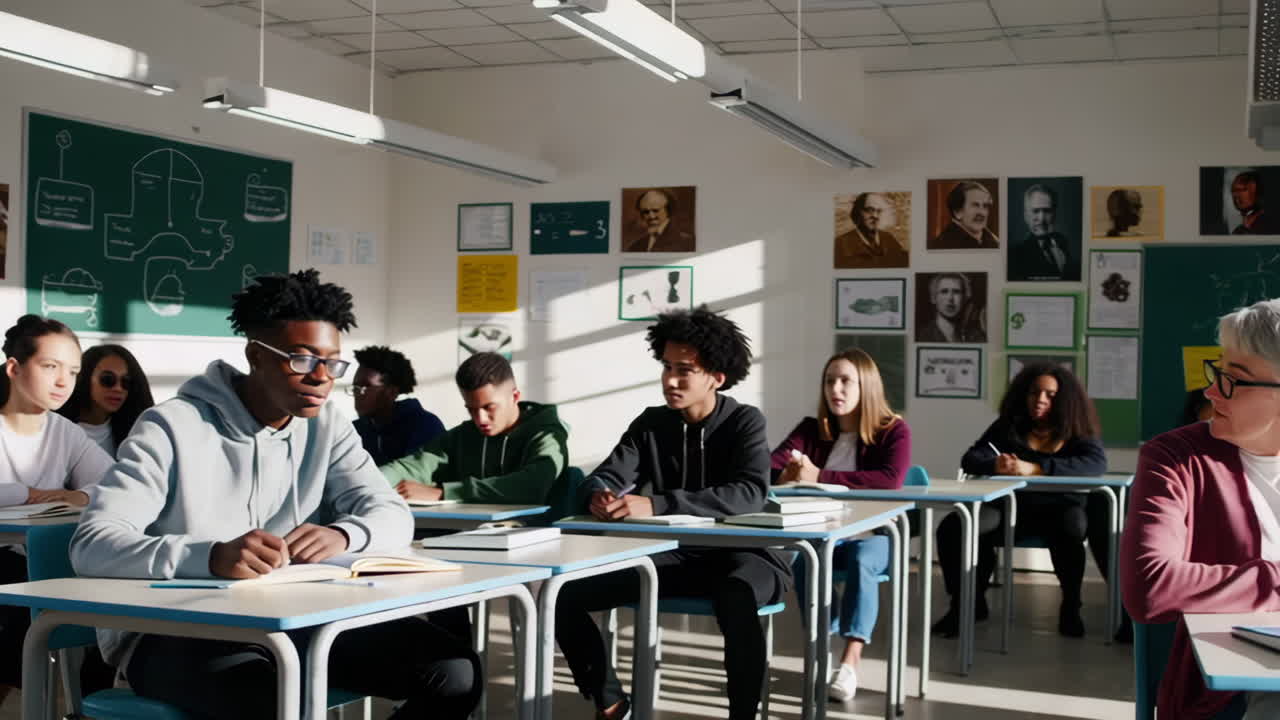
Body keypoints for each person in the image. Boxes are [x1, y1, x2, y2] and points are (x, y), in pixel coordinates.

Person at [70, 269, 482, 720]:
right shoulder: (170, 427)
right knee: (271, 699)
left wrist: (347, 535)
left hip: (295, 617)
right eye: (302, 360)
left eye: (332, 363)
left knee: (455, 672)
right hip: (175, 629)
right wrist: (209, 557)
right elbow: (92, 543)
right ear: (255, 355)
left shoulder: (327, 428)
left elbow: (391, 512)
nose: (321, 377)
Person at [554, 306, 788, 720]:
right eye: (666, 367)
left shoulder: (745, 422)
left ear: (716, 376)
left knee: (736, 594)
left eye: (685, 370)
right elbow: (608, 472)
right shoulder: (651, 424)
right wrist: (598, 494)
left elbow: (750, 491)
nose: (670, 380)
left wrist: (659, 504)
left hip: (750, 554)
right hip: (678, 556)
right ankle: (610, 702)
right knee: (562, 594)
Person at [1122, 299, 1280, 719]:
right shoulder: (1176, 457)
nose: (1211, 391)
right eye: (1218, 372)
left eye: (1234, 380)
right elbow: (1151, 586)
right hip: (1229, 693)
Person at [770, 348, 911, 702]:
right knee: (803, 559)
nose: (836, 388)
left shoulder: (894, 430)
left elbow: (890, 480)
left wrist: (820, 475)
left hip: (875, 535)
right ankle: (821, 648)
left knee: (864, 561)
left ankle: (850, 660)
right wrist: (784, 474)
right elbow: (768, 466)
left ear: (866, 386)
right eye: (830, 380)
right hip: (825, 535)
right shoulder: (811, 429)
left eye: (846, 380)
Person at [934, 363, 1108, 639]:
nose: (1040, 399)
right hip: (1009, 509)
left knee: (1071, 524)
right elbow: (971, 458)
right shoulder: (1010, 425)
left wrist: (1036, 468)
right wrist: (996, 464)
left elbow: (1095, 464)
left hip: (1059, 510)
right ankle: (966, 603)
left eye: (1050, 395)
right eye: (1034, 392)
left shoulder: (1076, 430)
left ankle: (1071, 605)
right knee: (954, 527)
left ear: (1064, 400)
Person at [0, 315, 111, 701]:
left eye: (74, 371)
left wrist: (77, 496)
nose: (64, 381)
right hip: (8, 559)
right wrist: (27, 492)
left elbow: (116, 483)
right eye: (50, 367)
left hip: (38, 558)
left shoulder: (65, 431)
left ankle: (89, 703)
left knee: (101, 590)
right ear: (14, 368)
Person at [381, 351, 570, 506]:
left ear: (515, 397)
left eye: (489, 407)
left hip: (534, 538)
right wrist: (365, 484)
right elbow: (408, 467)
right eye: (471, 410)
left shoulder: (547, 434)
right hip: (472, 533)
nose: (480, 419)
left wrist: (443, 493)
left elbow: (533, 485)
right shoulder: (464, 435)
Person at [349, 345, 444, 465]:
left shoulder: (424, 425)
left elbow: (415, 478)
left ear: (391, 391)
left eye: (366, 386)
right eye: (355, 387)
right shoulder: (354, 430)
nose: (358, 393)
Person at [57, 344, 155, 457]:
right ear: (85, 378)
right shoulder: (57, 429)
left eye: (125, 382)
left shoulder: (135, 434)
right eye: (108, 379)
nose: (118, 388)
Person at [1009, 184, 1078, 281]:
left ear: (1054, 214)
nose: (1041, 219)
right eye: (1035, 211)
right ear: (1026, 216)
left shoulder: (1063, 242)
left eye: (1047, 211)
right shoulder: (1015, 254)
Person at [834, 192, 908, 269]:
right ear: (857, 213)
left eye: (878, 211)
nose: (875, 216)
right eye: (869, 210)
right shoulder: (840, 244)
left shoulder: (889, 239)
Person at [916, 273, 986, 343]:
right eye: (944, 291)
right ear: (933, 298)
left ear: (964, 299)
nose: (950, 298)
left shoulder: (975, 337)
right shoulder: (923, 336)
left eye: (956, 292)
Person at [622, 188, 695, 252]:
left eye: (655, 210)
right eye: (646, 212)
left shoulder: (686, 242)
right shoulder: (636, 246)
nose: (651, 216)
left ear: (668, 210)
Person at [930, 181, 999, 249]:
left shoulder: (994, 242)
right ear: (957, 212)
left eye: (985, 206)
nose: (982, 212)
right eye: (975, 205)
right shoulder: (942, 245)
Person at [1230, 170, 1280, 235]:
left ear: (1258, 193)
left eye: (1242, 189)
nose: (1236, 195)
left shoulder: (1271, 227)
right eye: (1234, 190)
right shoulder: (1237, 232)